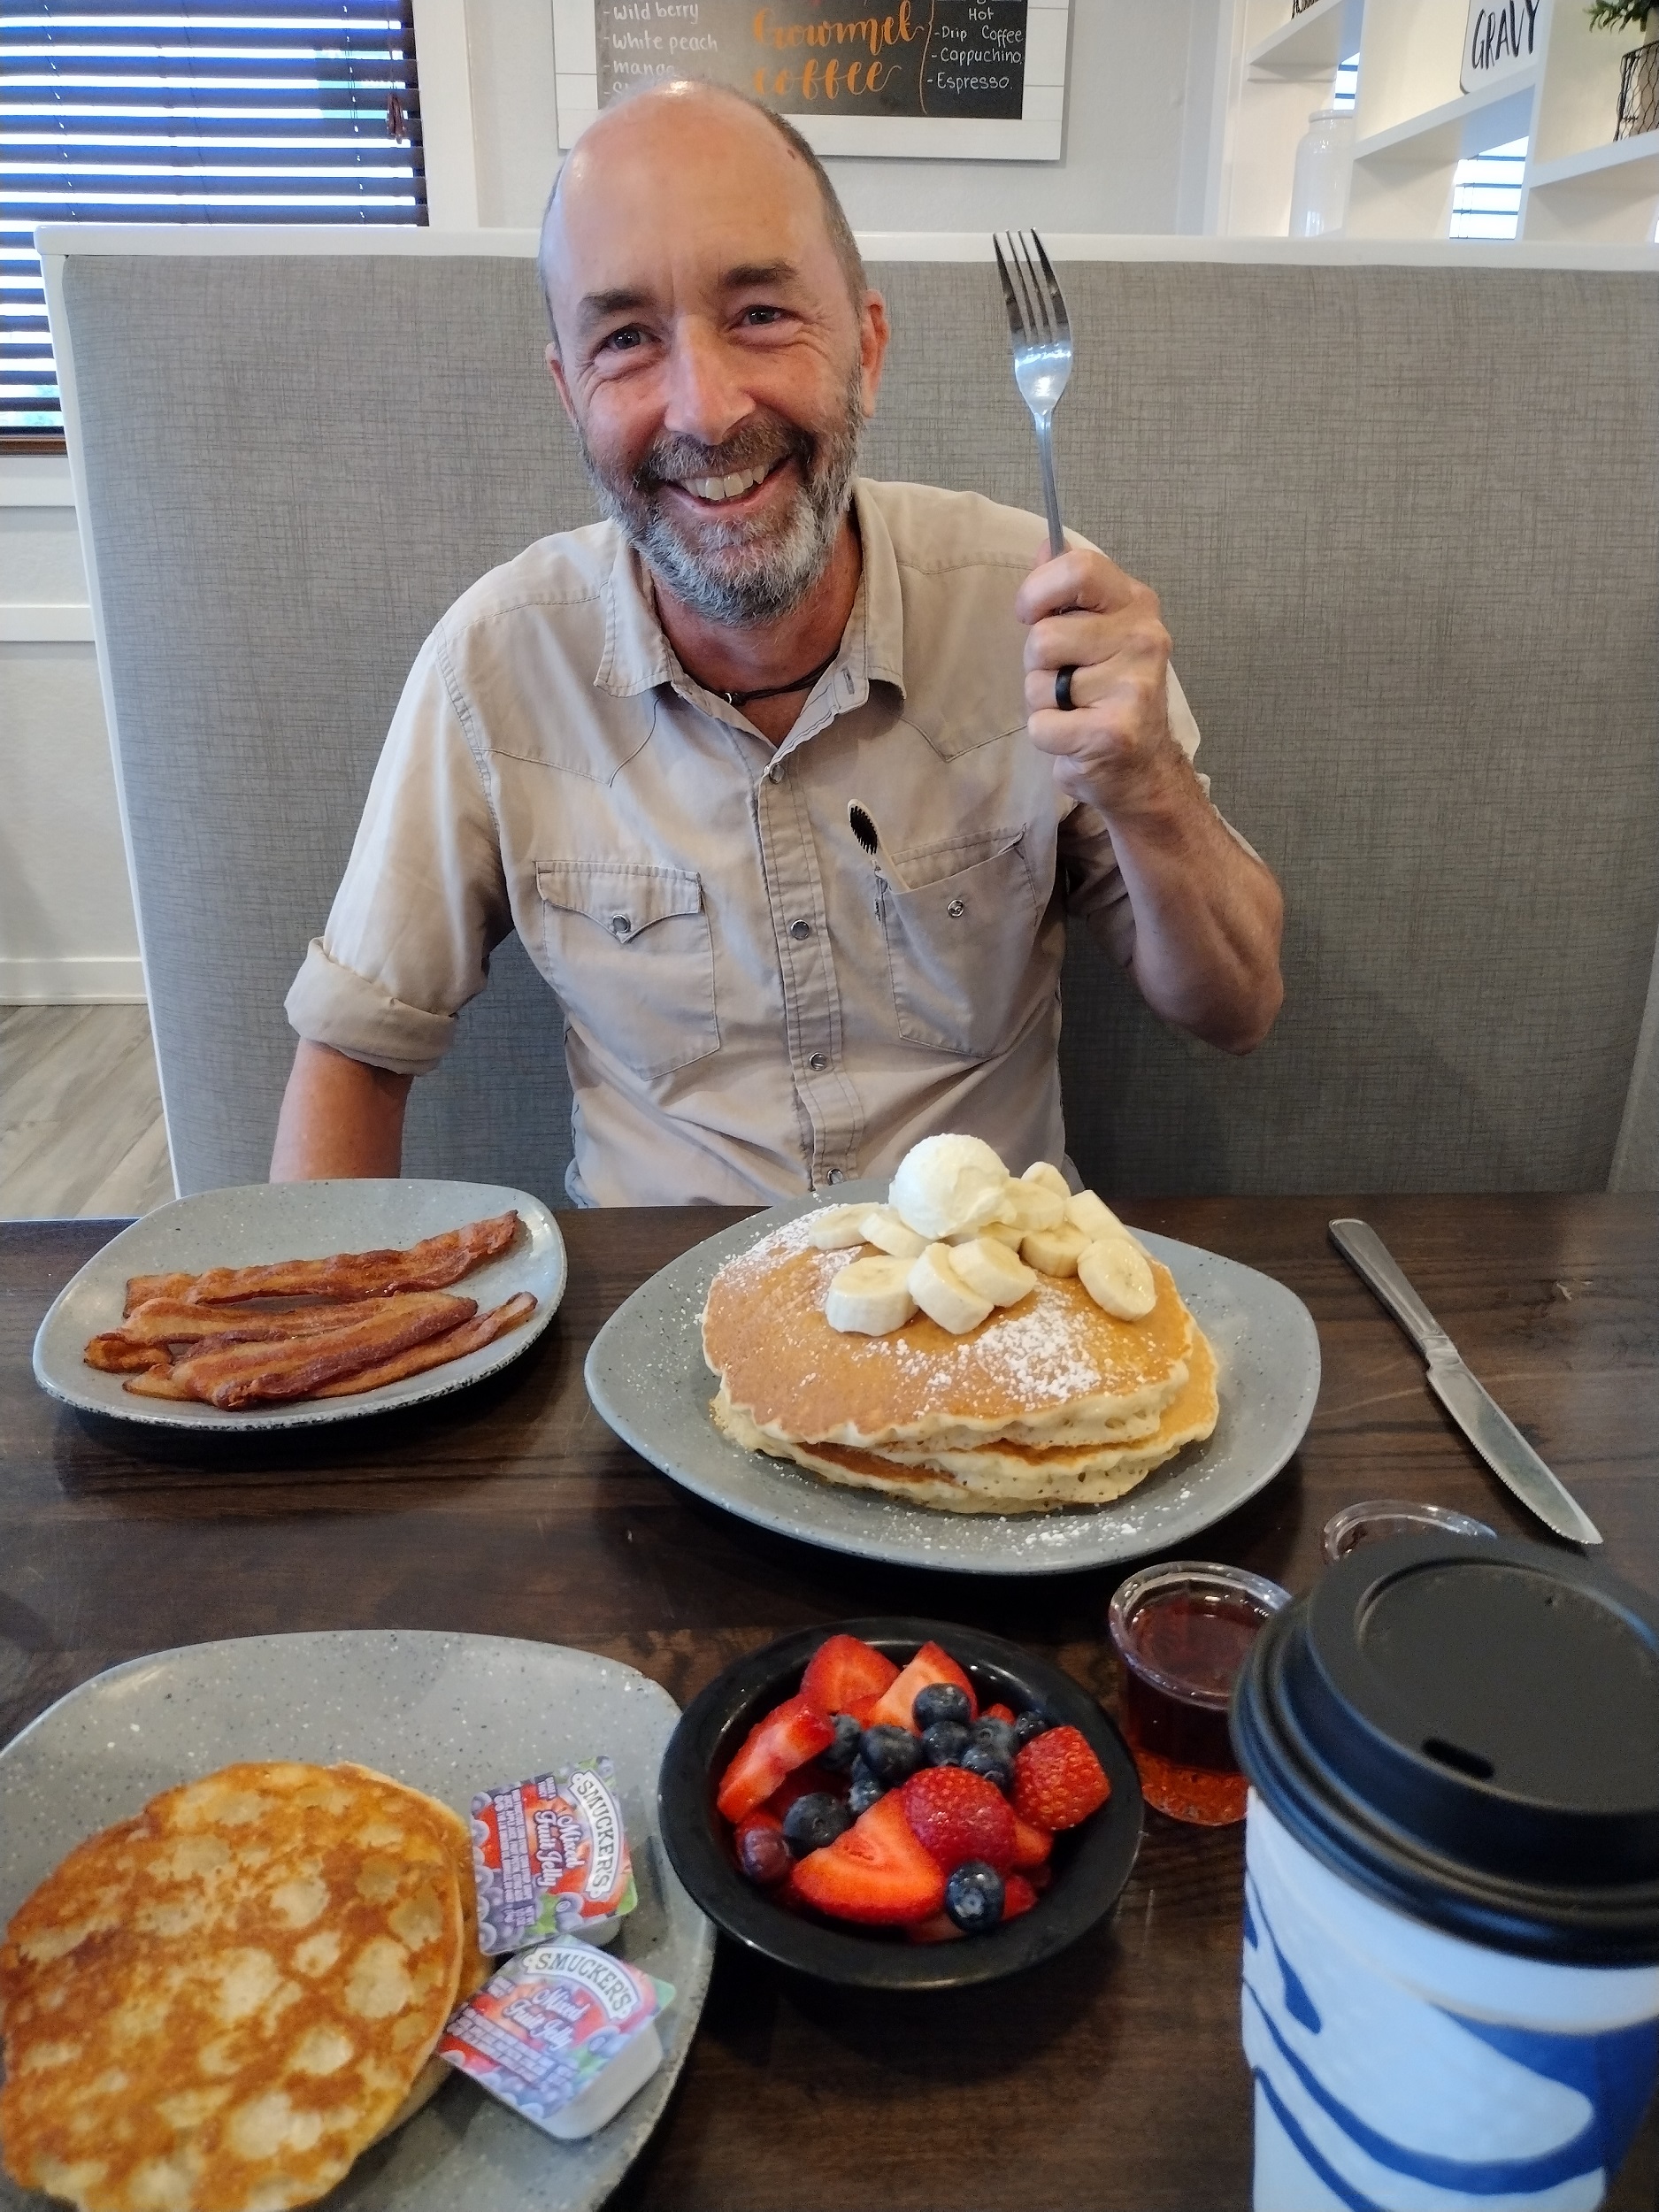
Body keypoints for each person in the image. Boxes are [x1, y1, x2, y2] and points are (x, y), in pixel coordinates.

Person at [273, 80, 1282, 1206]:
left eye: (759, 314)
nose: (704, 410)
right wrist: (326, 1350)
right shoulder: (496, 667)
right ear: (569, 392)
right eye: (626, 340)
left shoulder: (1037, 611)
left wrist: (1148, 788)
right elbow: (356, 1048)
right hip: (658, 1319)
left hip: (983, 1308)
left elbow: (1238, 1007)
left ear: (868, 345)